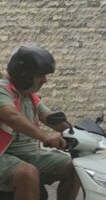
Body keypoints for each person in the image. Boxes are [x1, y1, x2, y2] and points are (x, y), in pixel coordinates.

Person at [0, 46, 79, 200]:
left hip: (28, 154)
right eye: (40, 75)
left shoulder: (29, 96)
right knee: (27, 173)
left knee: (76, 167)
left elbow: (49, 116)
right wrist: (45, 137)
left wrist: (77, 134)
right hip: (3, 154)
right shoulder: (3, 90)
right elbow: (11, 116)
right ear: (24, 74)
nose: (45, 80)